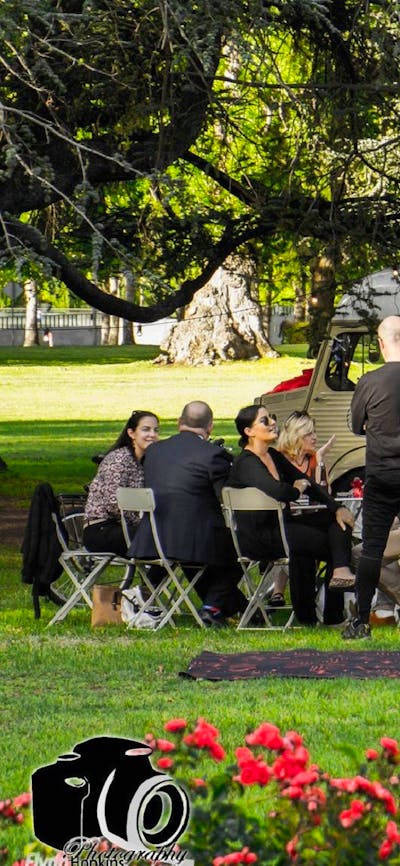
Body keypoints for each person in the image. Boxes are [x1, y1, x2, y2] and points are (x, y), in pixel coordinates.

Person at [228, 404, 355, 625]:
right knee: (335, 546)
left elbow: (312, 486)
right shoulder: (246, 463)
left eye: (272, 417)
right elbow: (279, 491)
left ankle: (336, 579)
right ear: (248, 432)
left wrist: (337, 507)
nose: (272, 423)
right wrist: (296, 489)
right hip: (260, 536)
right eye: (264, 420)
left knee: (336, 522)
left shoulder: (274, 456)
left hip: (283, 526)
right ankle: (332, 608)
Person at [128, 400, 246, 627]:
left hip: (154, 538)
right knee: (243, 549)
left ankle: (230, 607)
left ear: (179, 422)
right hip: (194, 542)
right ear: (210, 427)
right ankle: (212, 607)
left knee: (213, 560)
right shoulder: (214, 454)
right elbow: (227, 497)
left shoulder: (154, 451)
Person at [344, 316, 400, 639]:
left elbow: (355, 425)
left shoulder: (369, 382)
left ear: (380, 344)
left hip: (380, 474)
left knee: (372, 550)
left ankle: (361, 621)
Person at [83, 410, 159, 556]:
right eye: (146, 429)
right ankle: (153, 579)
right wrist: (142, 522)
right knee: (161, 538)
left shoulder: (146, 461)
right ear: (131, 433)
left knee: (169, 536)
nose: (152, 434)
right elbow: (114, 504)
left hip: (125, 527)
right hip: (102, 529)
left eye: (156, 430)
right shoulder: (119, 459)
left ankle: (153, 579)